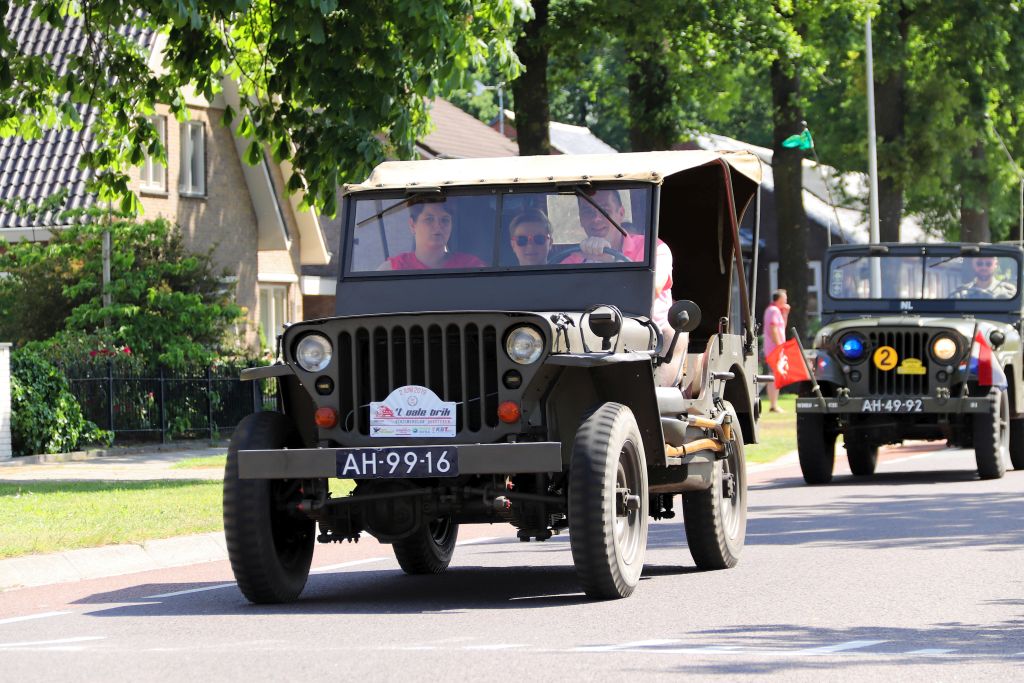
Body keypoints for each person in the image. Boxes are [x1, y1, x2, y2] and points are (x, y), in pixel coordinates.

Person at [562, 189, 674, 333]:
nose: (596, 218)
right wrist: (589, 261)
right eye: (588, 212)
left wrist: (611, 261)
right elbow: (563, 301)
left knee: (673, 335)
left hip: (648, 333)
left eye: (605, 210)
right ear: (581, 219)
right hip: (588, 335)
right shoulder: (571, 260)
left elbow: (650, 291)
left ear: (620, 213)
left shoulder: (654, 249)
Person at [378, 198, 486, 271]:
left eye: (445, 220)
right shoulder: (392, 269)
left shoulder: (471, 267)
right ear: (412, 225)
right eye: (429, 219)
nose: (438, 226)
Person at [763, 289, 790, 412]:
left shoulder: (776, 311)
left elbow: (782, 327)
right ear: (779, 299)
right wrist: (779, 347)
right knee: (773, 376)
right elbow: (773, 330)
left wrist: (785, 313)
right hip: (774, 349)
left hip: (776, 348)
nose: (786, 300)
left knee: (774, 376)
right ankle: (773, 405)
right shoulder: (773, 310)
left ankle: (774, 404)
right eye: (784, 298)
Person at [952, 257, 1016, 299]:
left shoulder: (1007, 292)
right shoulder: (961, 294)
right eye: (979, 263)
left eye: (988, 264)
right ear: (973, 264)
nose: (984, 267)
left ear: (996, 264)